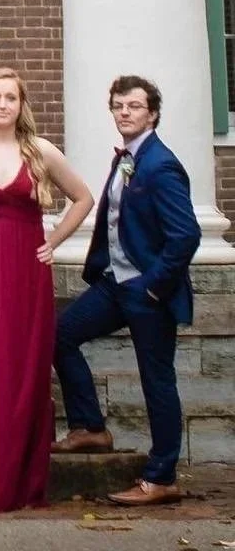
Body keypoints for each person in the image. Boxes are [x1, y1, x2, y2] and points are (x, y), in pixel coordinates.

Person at [0, 69, 92, 512]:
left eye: (11, 98)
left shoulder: (40, 151)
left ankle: (18, 479)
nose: (3, 105)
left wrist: (54, 241)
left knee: (21, 370)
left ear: (21, 105)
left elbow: (83, 198)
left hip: (27, 272)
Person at [52, 76, 200, 507]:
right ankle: (90, 427)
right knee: (60, 335)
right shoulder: (128, 158)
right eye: (118, 105)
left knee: (157, 381)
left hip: (148, 290)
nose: (124, 112)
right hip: (115, 283)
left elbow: (186, 235)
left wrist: (153, 286)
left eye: (134, 106)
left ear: (152, 114)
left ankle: (161, 477)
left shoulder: (160, 164)